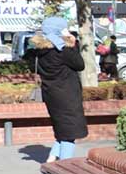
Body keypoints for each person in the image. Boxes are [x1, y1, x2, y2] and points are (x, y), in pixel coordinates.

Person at [23, 17, 87, 163]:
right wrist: (72, 44)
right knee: (69, 132)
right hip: (68, 97)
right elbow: (80, 64)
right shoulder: (63, 51)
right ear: (60, 31)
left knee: (62, 131)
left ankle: (51, 162)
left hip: (51, 95)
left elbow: (28, 59)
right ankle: (65, 166)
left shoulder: (38, 52)